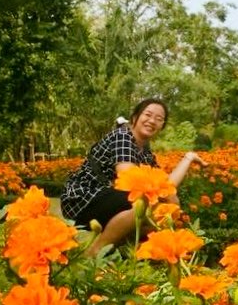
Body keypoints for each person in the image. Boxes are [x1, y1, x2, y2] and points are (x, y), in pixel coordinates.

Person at [60, 98, 204, 257]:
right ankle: (95, 252)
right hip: (82, 198)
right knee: (143, 201)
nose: (152, 121)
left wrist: (188, 158)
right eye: (148, 115)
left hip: (105, 199)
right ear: (135, 117)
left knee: (165, 209)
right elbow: (130, 177)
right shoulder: (123, 136)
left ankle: (127, 252)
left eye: (159, 119)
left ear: (162, 126)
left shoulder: (146, 153)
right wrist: (166, 195)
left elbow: (165, 185)